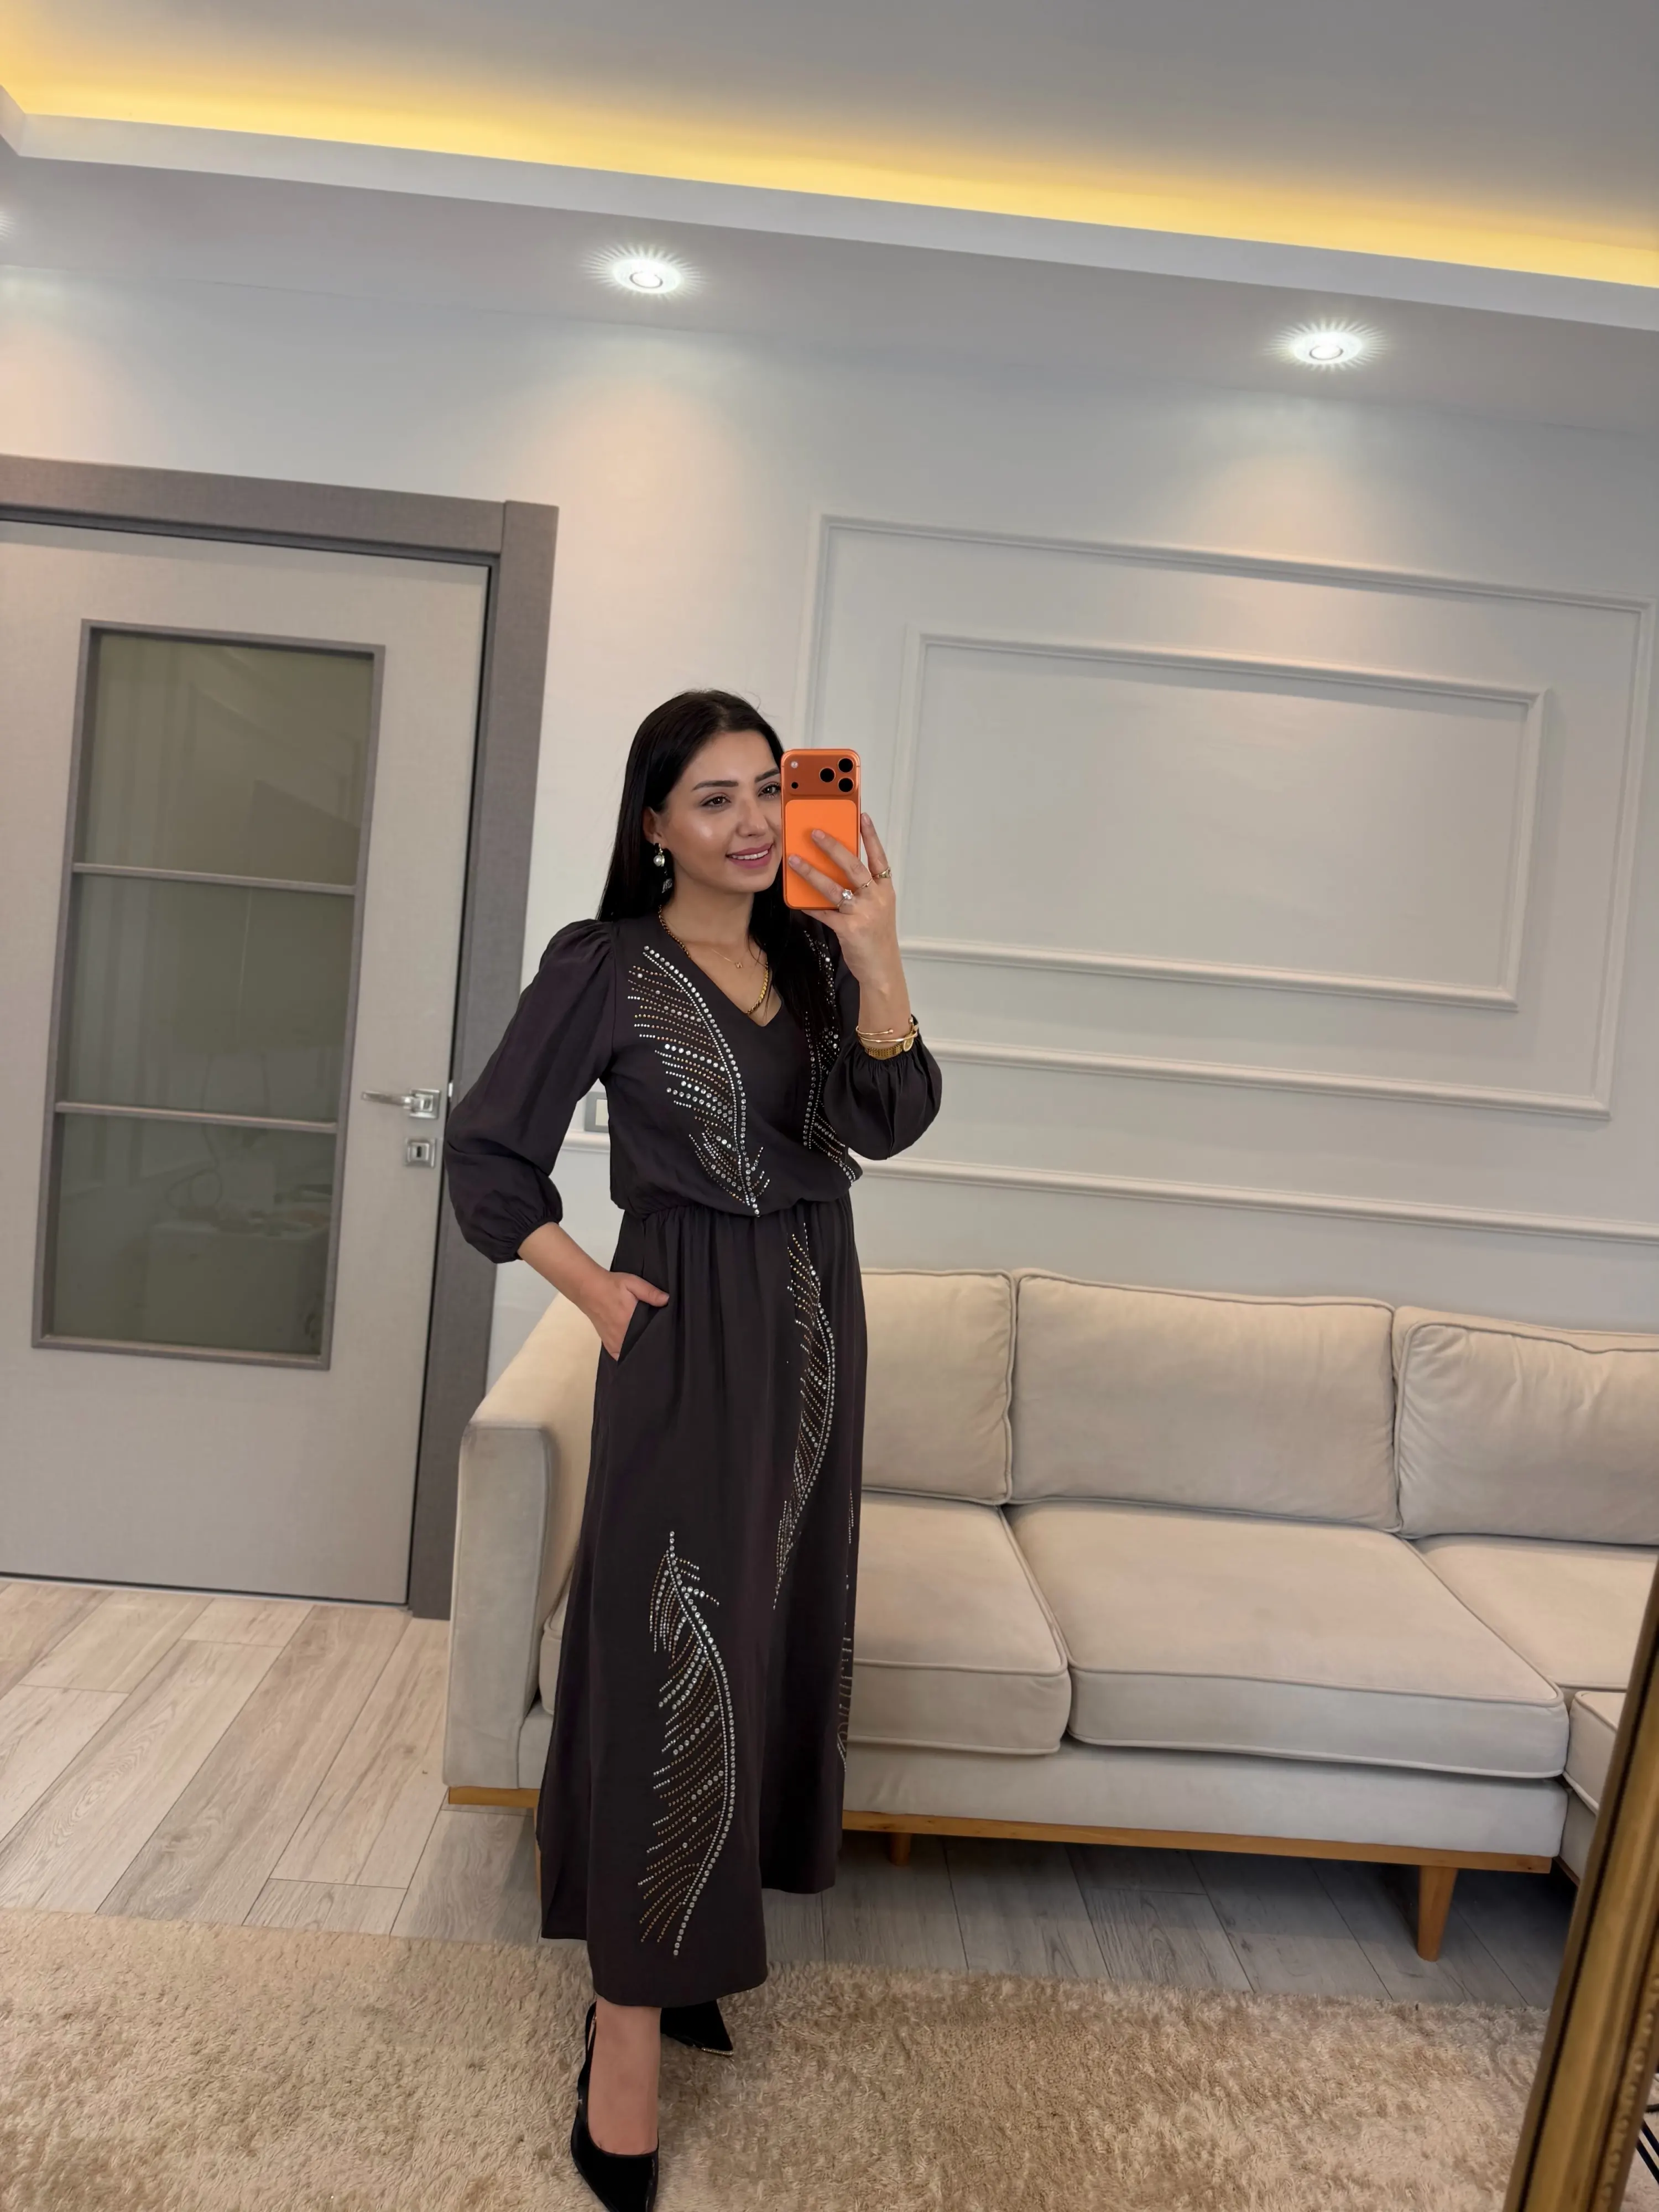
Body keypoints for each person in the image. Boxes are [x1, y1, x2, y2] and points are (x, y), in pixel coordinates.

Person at [444, 690, 941, 2211]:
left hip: (813, 1330)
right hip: (681, 1333)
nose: (749, 822)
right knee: (672, 1653)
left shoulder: (814, 960)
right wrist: (594, 1292)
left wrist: (876, 948)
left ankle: (694, 1955)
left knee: (772, 1631)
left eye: (767, 791)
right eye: (712, 797)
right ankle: (625, 2032)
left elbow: (891, 1118)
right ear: (654, 822)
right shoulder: (604, 967)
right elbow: (489, 1154)